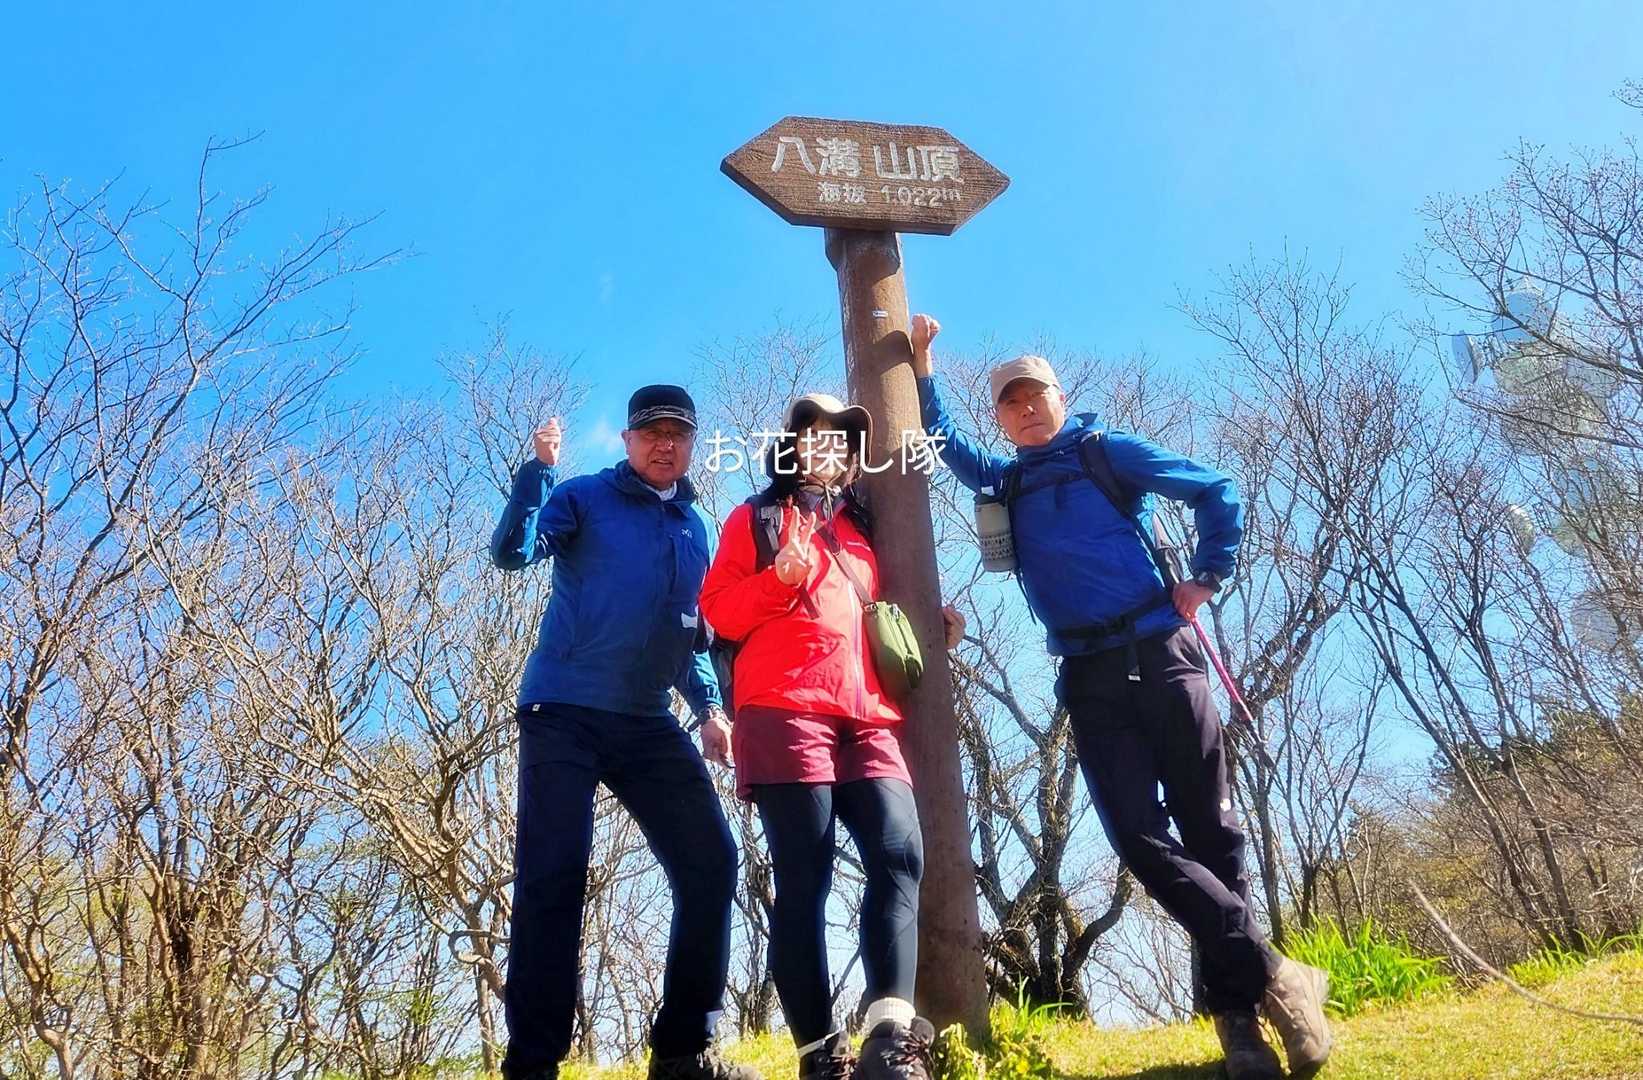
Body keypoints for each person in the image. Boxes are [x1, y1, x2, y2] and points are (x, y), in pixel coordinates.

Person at [908, 316, 1333, 1080]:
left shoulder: (1107, 454)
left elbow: (1215, 489)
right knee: (1138, 839)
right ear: (1000, 418)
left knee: (1211, 836)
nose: (1026, 409)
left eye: (1035, 395)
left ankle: (1240, 1027)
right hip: (1087, 674)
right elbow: (941, 443)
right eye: (1010, 403)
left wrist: (1207, 576)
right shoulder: (1006, 481)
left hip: (1163, 654)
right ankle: (1276, 973)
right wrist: (922, 366)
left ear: (1058, 396)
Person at [490, 385, 760, 1080]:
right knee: (554, 875)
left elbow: (689, 635)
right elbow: (513, 552)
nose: (664, 444)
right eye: (651, 432)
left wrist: (708, 710)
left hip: (646, 719)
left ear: (692, 444)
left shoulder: (695, 528)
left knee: (710, 860)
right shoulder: (583, 496)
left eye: (678, 434)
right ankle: (532, 1065)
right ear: (627, 440)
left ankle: (681, 1053)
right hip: (564, 711)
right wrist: (537, 472)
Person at [698, 394, 964, 1080]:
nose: (828, 448)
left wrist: (928, 625)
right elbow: (717, 612)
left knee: (899, 852)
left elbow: (875, 606)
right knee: (805, 876)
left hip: (867, 713)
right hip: (783, 709)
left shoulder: (864, 524)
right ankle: (820, 1054)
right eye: (814, 435)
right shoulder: (755, 518)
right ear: (791, 446)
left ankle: (889, 1038)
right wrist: (778, 579)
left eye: (841, 440)